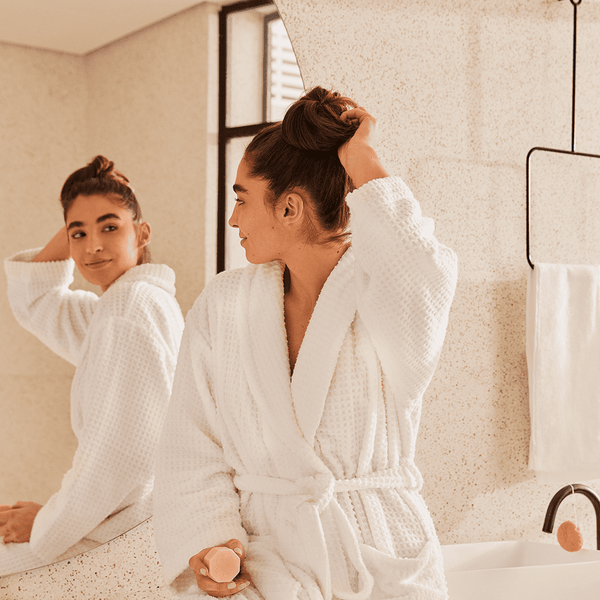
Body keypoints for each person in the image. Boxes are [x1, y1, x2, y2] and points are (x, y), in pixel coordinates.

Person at [154, 87, 458, 599]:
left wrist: (361, 156)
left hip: (378, 558)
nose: (234, 220)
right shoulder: (224, 305)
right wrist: (210, 541)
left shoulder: (384, 294)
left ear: (290, 207)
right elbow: (192, 444)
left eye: (242, 198)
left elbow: (420, 272)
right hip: (268, 563)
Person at [0, 156, 185, 575]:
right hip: (123, 512)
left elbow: (120, 457)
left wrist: (45, 522)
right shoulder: (125, 304)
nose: (92, 246)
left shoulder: (128, 311)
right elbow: (36, 300)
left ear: (142, 233)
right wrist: (87, 205)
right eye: (78, 234)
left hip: (130, 524)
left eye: (110, 227)